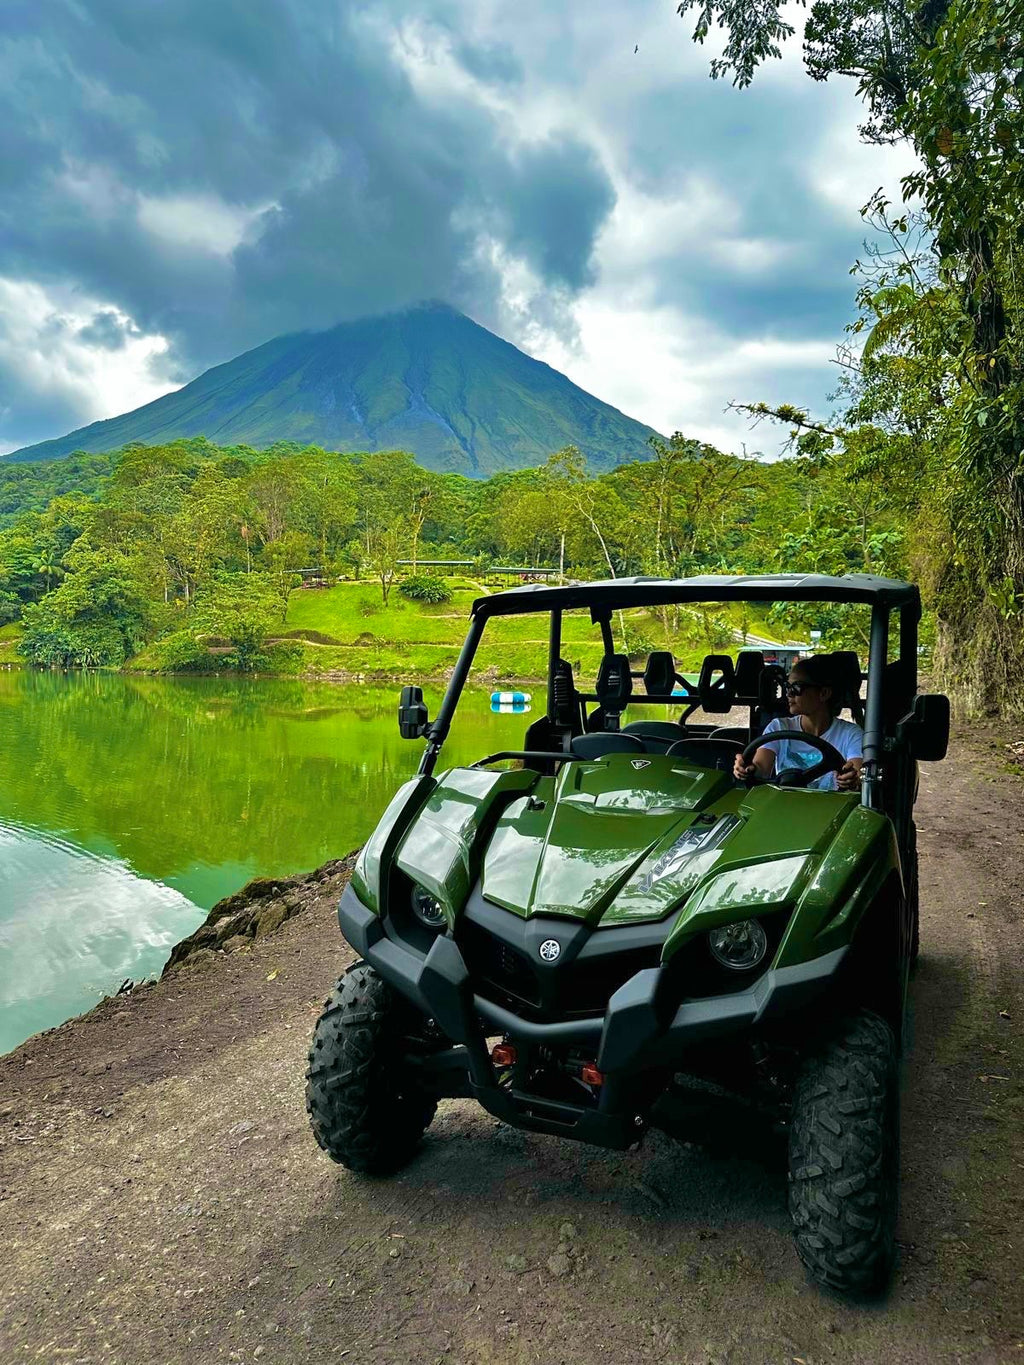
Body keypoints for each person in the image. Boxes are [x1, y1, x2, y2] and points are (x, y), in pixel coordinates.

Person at [732, 655, 864, 791]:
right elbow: (761, 769)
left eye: (796, 687)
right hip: (783, 806)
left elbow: (857, 773)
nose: (788, 693)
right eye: (787, 686)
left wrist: (851, 778)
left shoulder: (851, 734)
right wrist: (746, 769)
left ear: (824, 693)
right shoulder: (778, 727)